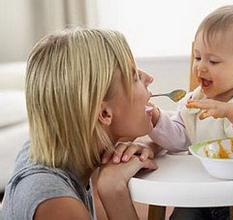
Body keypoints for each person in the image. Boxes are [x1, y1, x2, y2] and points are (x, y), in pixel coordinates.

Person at [2, 28, 160, 220]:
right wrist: (114, 191)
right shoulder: (57, 206)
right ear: (104, 113)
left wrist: (149, 144)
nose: (149, 79)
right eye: (134, 77)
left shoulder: (56, 147)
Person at [148, 5, 233, 220]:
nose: (200, 67)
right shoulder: (194, 101)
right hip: (200, 190)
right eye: (198, 57)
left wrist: (232, 111)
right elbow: (178, 139)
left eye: (213, 61)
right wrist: (155, 119)